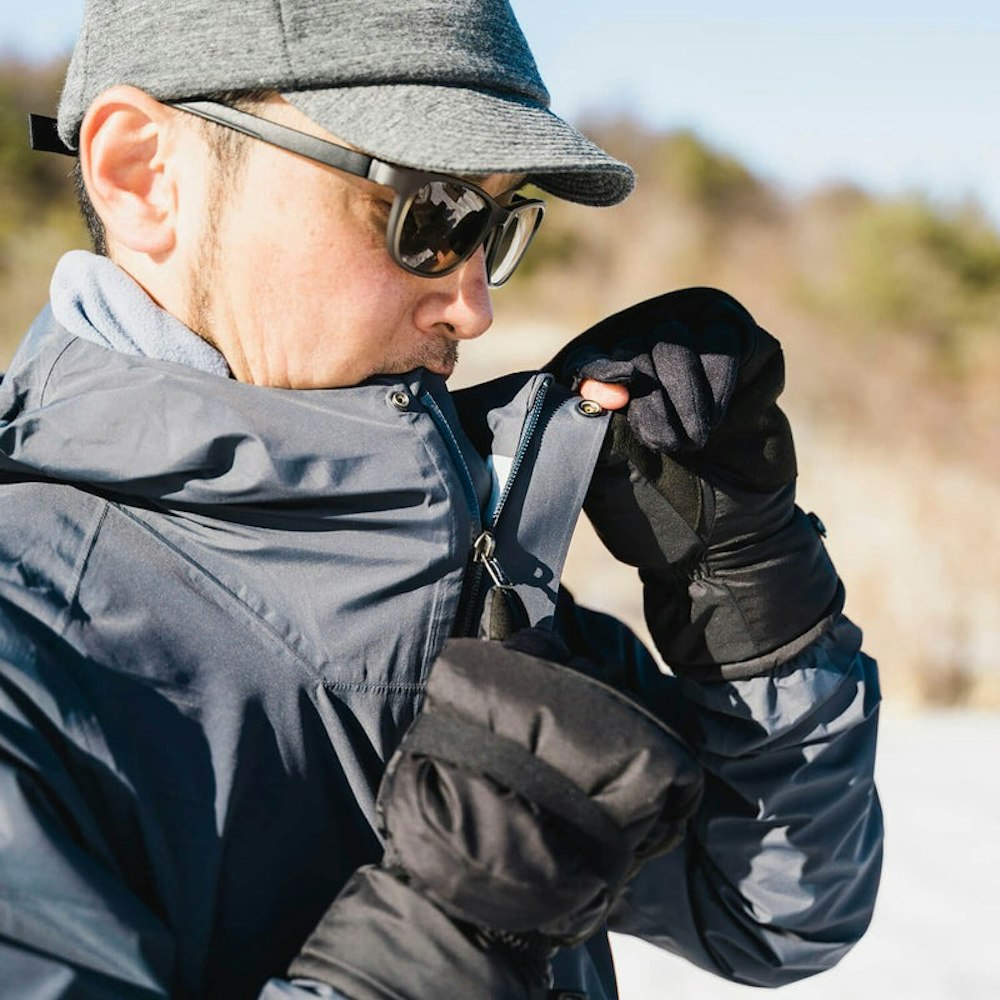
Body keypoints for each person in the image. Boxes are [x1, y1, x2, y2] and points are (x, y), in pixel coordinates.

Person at [1, 1, 883, 997]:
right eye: (428, 215)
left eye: (496, 225)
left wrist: (747, 580)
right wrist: (453, 941)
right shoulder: (27, 636)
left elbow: (771, 913)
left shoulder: (469, 559)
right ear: (142, 176)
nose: (473, 302)